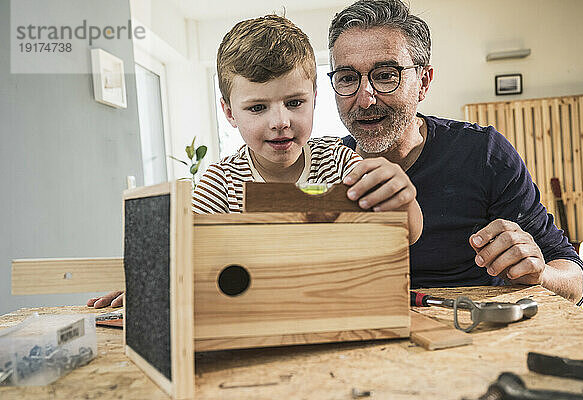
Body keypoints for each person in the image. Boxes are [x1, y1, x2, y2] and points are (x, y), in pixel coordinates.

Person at [88, 13, 423, 309]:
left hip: (331, 308)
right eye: (257, 108)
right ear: (229, 113)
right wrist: (150, 282)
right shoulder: (220, 182)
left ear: (314, 99)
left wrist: (402, 195)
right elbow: (180, 250)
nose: (279, 121)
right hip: (250, 317)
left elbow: (406, 232)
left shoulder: (337, 161)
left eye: (294, 102)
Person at [328, 0, 583, 304]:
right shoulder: (322, 168)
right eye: (347, 77)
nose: (366, 98)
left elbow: (576, 279)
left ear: (423, 82)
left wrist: (540, 273)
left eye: (386, 75)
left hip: (472, 332)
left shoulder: (483, 154)